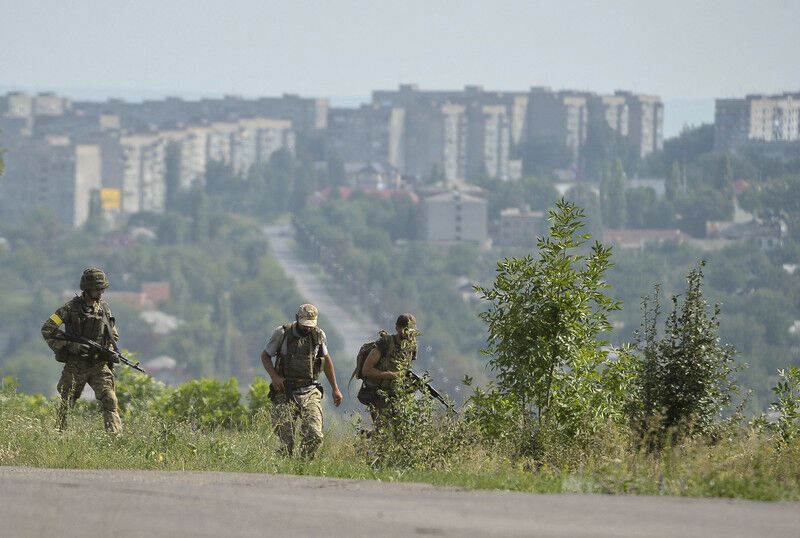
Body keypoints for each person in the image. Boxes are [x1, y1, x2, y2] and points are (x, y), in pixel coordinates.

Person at [41, 267, 122, 434]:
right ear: (87, 288)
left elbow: (113, 334)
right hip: (76, 365)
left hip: (99, 365)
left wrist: (110, 351)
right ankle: (60, 435)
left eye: (102, 289)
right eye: (97, 289)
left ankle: (115, 438)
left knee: (110, 399)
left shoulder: (104, 309)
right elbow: (47, 329)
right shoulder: (69, 308)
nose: (101, 292)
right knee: (66, 404)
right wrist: (72, 346)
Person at [260, 303, 343, 457]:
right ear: (297, 318)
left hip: (310, 391)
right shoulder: (282, 333)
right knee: (286, 442)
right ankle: (283, 471)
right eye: (304, 324)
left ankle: (302, 466)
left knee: (314, 435)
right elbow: (265, 356)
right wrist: (275, 377)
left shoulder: (319, 335)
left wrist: (335, 388)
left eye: (310, 325)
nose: (307, 328)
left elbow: (326, 360)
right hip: (285, 391)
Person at [359, 313, 418, 426]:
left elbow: (405, 371)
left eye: (411, 330)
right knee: (384, 432)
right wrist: (390, 375)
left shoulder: (412, 347)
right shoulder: (385, 343)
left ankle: (367, 436)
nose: (409, 334)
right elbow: (366, 370)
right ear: (397, 328)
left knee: (401, 431)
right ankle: (368, 437)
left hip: (397, 396)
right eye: (406, 330)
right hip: (378, 395)